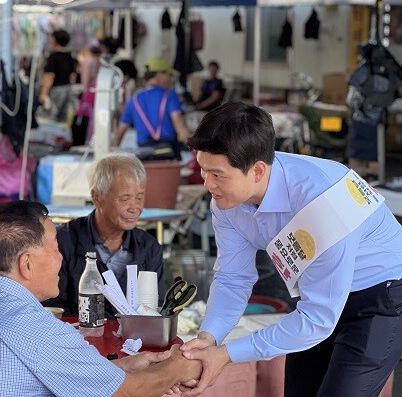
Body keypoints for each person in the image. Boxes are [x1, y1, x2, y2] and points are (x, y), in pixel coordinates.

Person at [180, 102, 402, 397]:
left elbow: (318, 319)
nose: (208, 184)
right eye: (203, 171)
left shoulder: (320, 201)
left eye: (217, 174)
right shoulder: (227, 200)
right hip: (316, 295)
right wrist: (209, 338)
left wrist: (227, 354)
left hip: (380, 297)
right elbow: (233, 278)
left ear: (257, 170)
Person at [0, 200, 202, 397]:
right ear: (26, 264)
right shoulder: (36, 327)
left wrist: (125, 365)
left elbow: (44, 373)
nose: (62, 257)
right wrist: (181, 366)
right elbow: (127, 391)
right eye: (54, 247)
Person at [43, 154, 166, 318]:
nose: (135, 208)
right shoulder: (63, 242)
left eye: (139, 198)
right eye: (125, 199)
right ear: (97, 197)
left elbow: (157, 308)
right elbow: (51, 306)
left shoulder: (149, 248)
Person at [114, 57, 190, 159]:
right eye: (169, 75)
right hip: (168, 154)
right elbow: (178, 122)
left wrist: (112, 151)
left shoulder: (134, 100)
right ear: (160, 75)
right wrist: (194, 147)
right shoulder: (169, 95)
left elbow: (120, 131)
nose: (170, 79)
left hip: (144, 154)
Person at [39, 29, 77, 123]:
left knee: (51, 118)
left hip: (56, 90)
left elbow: (49, 76)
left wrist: (43, 93)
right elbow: (72, 76)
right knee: (63, 118)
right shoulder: (70, 56)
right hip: (67, 89)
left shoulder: (53, 57)